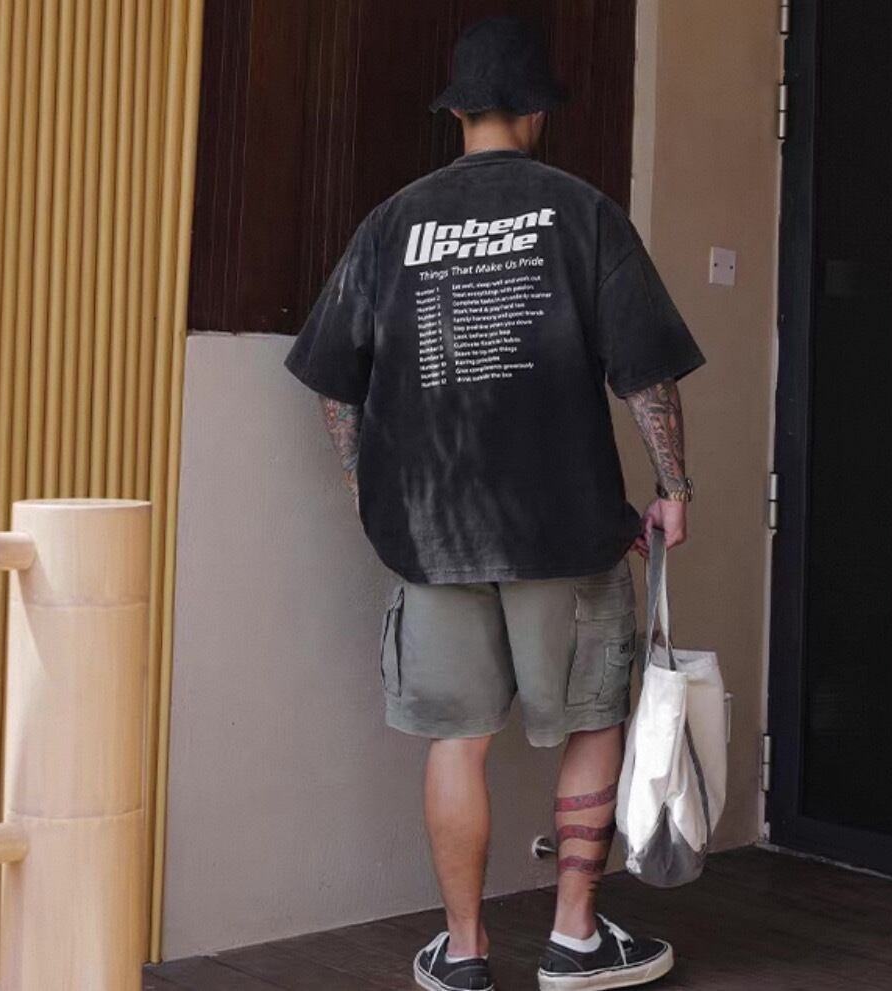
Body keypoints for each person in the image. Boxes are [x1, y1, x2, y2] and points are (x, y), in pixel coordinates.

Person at [284, 16, 704, 991]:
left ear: (458, 112)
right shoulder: (582, 212)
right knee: (592, 719)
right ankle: (573, 939)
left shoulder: (393, 223)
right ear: (537, 112)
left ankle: (466, 951)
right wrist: (673, 488)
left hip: (432, 533)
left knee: (457, 739)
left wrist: (365, 484)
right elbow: (643, 371)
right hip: (567, 527)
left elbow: (335, 382)